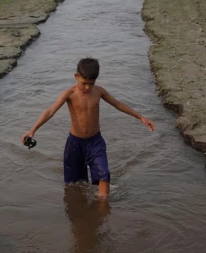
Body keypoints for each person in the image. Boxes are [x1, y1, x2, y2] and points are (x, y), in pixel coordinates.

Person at [21, 58, 155, 199]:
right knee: (74, 184)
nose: (87, 88)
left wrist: (140, 117)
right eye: (84, 83)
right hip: (74, 144)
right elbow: (50, 111)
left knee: (104, 175)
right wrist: (33, 129)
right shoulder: (69, 94)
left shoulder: (99, 92)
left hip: (95, 142)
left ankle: (103, 209)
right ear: (76, 76)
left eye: (91, 84)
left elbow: (118, 104)